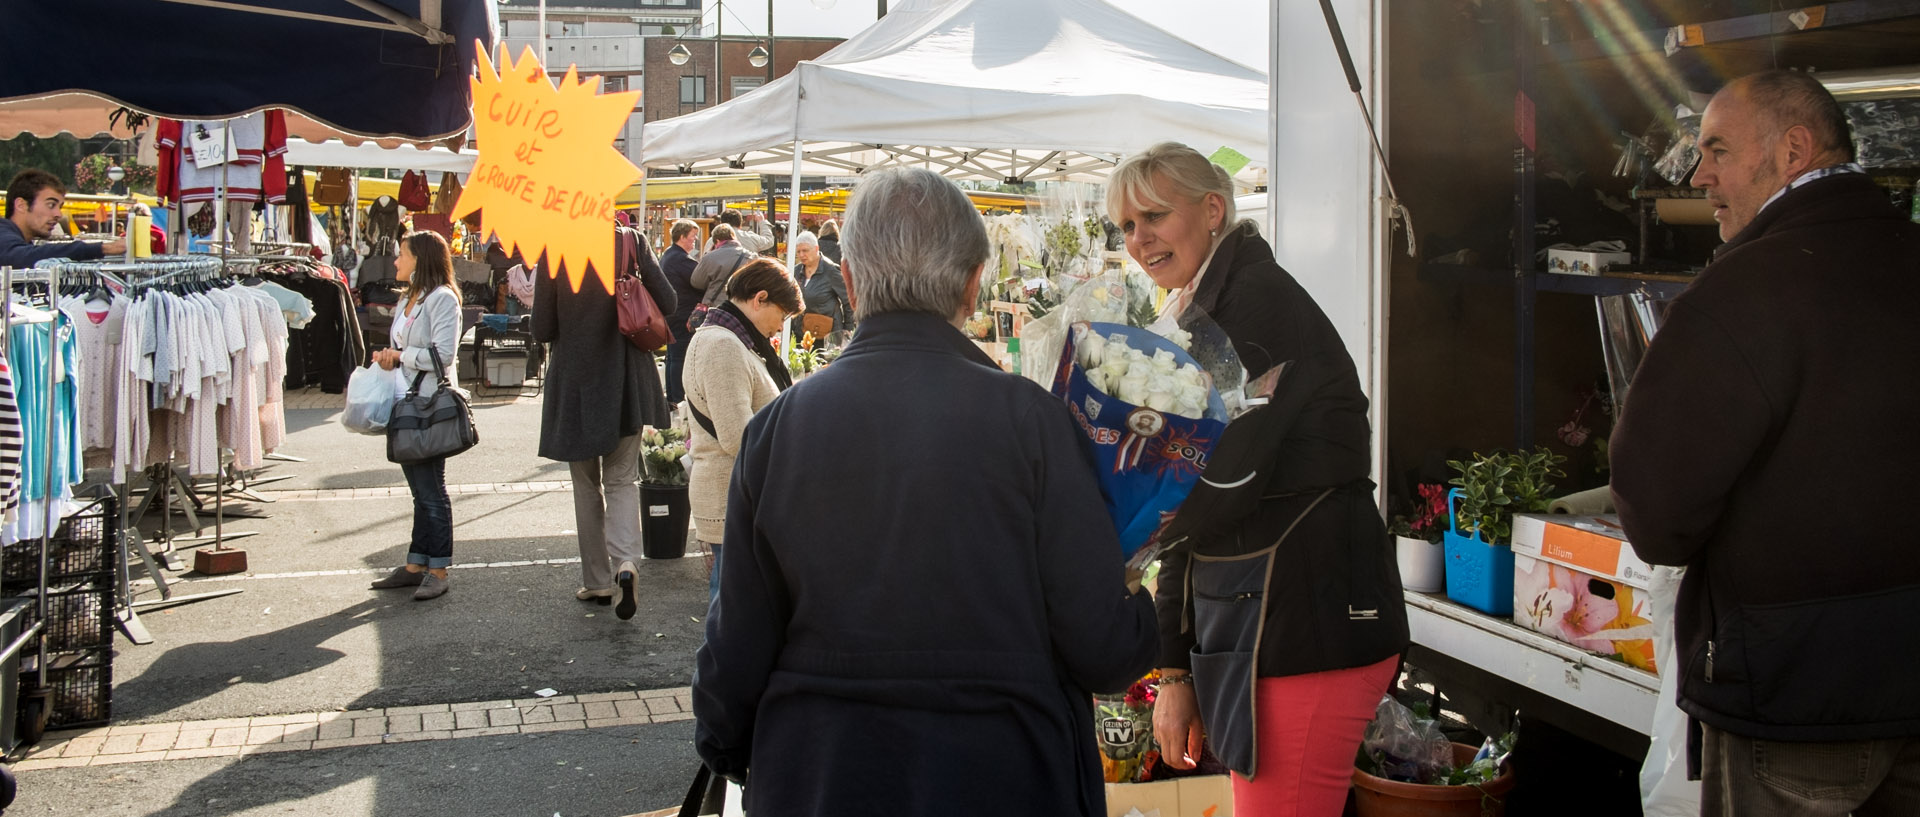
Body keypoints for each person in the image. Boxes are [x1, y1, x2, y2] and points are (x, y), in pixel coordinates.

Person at [693, 168, 1157, 816]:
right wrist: (1149, 602)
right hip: (1008, 774)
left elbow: (735, 650)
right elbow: (1102, 645)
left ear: (849, 280)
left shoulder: (778, 433)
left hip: (824, 777)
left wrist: (726, 744)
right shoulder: (1035, 424)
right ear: (973, 284)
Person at [1611, 70, 1920, 817]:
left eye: (1716, 148)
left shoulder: (1738, 294)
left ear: (1793, 149)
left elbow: (1657, 512)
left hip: (1794, 695)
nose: (1699, 173)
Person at [1108, 143, 1408, 816]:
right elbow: (1190, 502)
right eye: (1125, 225)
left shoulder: (1254, 304)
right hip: (1261, 621)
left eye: (1155, 214)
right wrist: (1175, 666)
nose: (1139, 238)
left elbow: (1213, 481)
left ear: (1213, 209)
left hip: (1305, 620)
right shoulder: (1202, 308)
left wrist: (1109, 520)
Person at [534, 224, 676, 620]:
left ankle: (597, 580)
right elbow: (669, 300)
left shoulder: (555, 247)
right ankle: (626, 564)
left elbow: (542, 328)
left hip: (576, 381)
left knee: (585, 485)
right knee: (621, 479)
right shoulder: (631, 240)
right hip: (625, 378)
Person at [681, 258, 796, 597]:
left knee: (735, 603)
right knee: (732, 603)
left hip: (736, 495)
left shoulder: (728, 338)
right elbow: (738, 436)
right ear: (760, 299)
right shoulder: (722, 345)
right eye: (784, 315)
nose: (781, 326)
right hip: (730, 497)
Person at [368, 231, 464, 601]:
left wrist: (401, 356)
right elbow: (402, 345)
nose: (396, 261)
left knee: (430, 490)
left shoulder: (442, 300)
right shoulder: (408, 298)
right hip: (405, 402)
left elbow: (443, 356)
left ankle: (437, 567)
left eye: (402, 255)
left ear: (420, 259)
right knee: (419, 490)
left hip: (429, 406)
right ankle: (415, 564)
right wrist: (390, 354)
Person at [2, 169, 125, 267]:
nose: (58, 214)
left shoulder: (19, 242)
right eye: (51, 205)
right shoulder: (3, 234)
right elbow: (19, 256)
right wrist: (104, 248)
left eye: (59, 207)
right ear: (21, 205)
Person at [660, 219, 703, 405]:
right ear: (682, 236)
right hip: (682, 313)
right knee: (678, 356)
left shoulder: (669, 255)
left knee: (672, 355)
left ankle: (671, 397)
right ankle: (677, 399)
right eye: (693, 236)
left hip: (672, 312)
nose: (695, 241)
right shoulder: (680, 258)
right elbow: (700, 278)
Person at [790, 230, 853, 335]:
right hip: (802, 332)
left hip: (828, 335)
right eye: (798, 252)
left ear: (816, 249)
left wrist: (847, 329)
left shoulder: (831, 271)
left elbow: (848, 301)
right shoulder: (796, 271)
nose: (801, 255)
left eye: (805, 251)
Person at [688, 223, 753, 314]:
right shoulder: (750, 257)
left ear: (717, 241)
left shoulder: (710, 257)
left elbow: (697, 282)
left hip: (715, 307)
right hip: (742, 308)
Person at [704, 209, 773, 255]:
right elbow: (769, 241)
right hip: (746, 275)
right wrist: (762, 221)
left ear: (721, 223)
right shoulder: (750, 237)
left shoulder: (712, 241)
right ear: (740, 224)